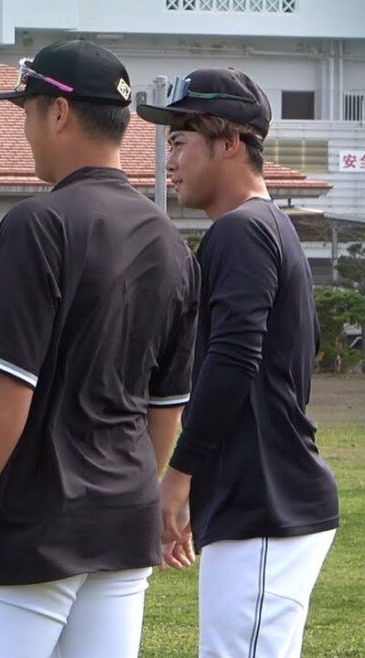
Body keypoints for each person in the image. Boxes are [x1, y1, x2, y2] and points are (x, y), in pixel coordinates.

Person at [0, 40, 200, 657]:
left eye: (28, 109)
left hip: (31, 525)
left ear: (58, 113)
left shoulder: (39, 223)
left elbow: (7, 385)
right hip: (125, 523)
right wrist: (131, 489)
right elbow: (166, 409)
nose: (25, 127)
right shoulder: (172, 244)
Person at [139, 68, 339, 658]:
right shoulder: (270, 229)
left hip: (267, 505)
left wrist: (179, 478)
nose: (169, 158)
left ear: (229, 143)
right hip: (264, 499)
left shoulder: (242, 232)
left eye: (180, 140)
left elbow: (234, 358)